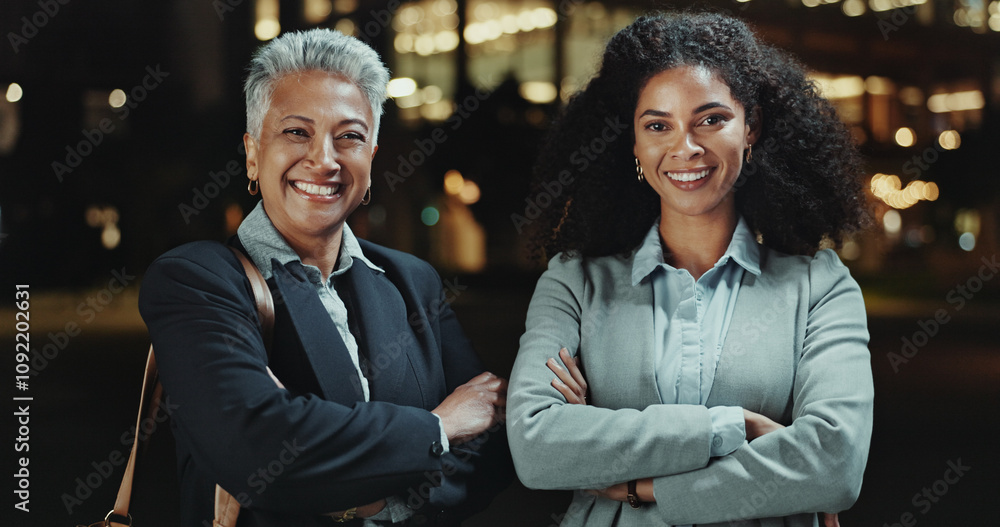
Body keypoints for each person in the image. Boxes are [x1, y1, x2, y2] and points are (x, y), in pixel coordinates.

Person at [506, 12, 874, 527]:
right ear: (634, 143)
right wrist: (733, 426)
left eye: (711, 119)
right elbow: (536, 448)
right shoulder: (574, 283)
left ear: (751, 127)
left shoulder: (819, 286)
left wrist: (638, 485)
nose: (685, 148)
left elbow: (834, 464)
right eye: (658, 126)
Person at [139, 29, 512, 527]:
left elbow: (492, 444)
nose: (325, 159)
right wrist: (438, 428)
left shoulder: (412, 280)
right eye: (297, 132)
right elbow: (257, 449)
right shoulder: (197, 281)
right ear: (252, 153)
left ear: (371, 157)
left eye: (349, 136)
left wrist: (374, 501)